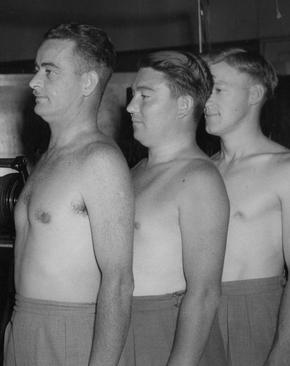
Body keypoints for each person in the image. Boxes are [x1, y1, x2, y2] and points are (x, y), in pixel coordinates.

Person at [4, 22, 134, 366]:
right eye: (36, 70)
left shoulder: (100, 160)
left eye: (49, 72)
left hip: (71, 332)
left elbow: (119, 281)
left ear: (87, 82)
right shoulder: (47, 159)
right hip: (24, 325)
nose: (34, 82)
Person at [121, 50, 229, 366]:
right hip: (125, 326)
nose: (130, 106)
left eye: (145, 96)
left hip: (169, 335)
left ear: (183, 105)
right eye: (133, 95)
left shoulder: (199, 178)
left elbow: (205, 293)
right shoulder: (135, 171)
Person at [203, 48, 290, 366]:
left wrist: (282, 353)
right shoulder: (202, 171)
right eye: (204, 90)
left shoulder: (284, 168)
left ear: (254, 93)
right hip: (199, 312)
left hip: (256, 313)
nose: (206, 100)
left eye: (218, 89)